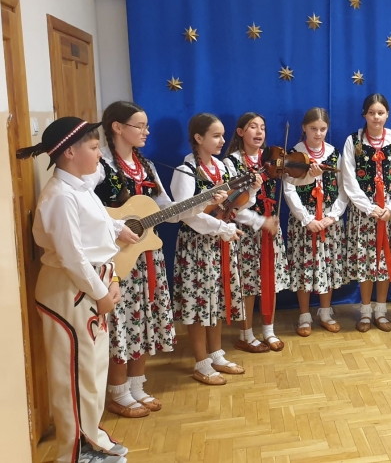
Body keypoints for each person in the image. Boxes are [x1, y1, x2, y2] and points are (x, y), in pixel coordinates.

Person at [16, 116, 140, 463]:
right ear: (69, 152)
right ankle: (73, 451)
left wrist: (115, 235)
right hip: (70, 292)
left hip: (91, 285)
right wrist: (100, 293)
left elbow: (93, 228)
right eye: (94, 147)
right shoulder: (59, 196)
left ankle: (91, 437)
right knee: (73, 373)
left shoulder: (81, 186)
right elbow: (72, 255)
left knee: (92, 369)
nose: (100, 154)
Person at [93, 101, 226, 418]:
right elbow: (90, 210)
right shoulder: (101, 166)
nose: (146, 132)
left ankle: (136, 385)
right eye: (139, 126)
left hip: (146, 255)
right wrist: (117, 226)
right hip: (117, 257)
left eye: (146, 126)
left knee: (144, 318)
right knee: (122, 322)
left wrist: (204, 200)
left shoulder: (147, 167)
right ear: (117, 127)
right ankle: (118, 391)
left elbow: (168, 211)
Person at [171, 113, 262, 385]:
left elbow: (234, 205)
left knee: (218, 299)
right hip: (197, 245)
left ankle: (216, 353)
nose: (222, 141)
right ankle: (201, 362)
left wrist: (252, 191)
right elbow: (186, 213)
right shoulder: (186, 170)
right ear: (199, 138)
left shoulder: (222, 167)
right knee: (200, 302)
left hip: (220, 243)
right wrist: (221, 227)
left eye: (223, 135)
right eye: (216, 136)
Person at [223, 112, 290, 353]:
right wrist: (260, 222)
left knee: (269, 279)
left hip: (270, 227)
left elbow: (293, 180)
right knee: (248, 284)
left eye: (262, 127)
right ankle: (246, 334)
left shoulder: (271, 158)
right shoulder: (230, 163)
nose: (259, 131)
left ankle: (268, 331)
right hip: (245, 230)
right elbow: (231, 206)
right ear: (241, 132)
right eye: (253, 127)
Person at [342, 94, 391, 332]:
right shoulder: (353, 141)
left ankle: (381, 311)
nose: (376, 117)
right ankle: (365, 312)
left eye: (380, 113)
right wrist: (369, 208)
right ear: (365, 115)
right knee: (367, 263)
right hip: (364, 215)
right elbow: (348, 178)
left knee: (384, 263)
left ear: (387, 115)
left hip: (389, 214)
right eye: (372, 113)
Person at [284, 107, 348, 336]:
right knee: (304, 265)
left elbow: (343, 188)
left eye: (322, 129)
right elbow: (289, 188)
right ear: (304, 128)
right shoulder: (294, 154)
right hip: (305, 219)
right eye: (313, 129)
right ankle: (304, 315)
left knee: (327, 266)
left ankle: (325, 312)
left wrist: (333, 215)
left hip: (328, 218)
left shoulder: (333, 153)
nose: (318, 133)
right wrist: (306, 218)